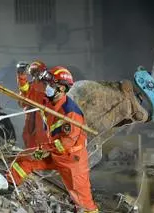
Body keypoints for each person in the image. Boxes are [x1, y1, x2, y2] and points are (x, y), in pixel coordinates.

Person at [8, 66, 98, 212]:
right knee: (25, 159)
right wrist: (21, 76)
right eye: (47, 84)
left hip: (71, 160)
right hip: (52, 151)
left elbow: (66, 143)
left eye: (50, 85)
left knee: (83, 202)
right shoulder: (46, 100)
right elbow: (27, 94)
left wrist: (45, 149)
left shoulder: (71, 113)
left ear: (62, 88)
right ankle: (8, 187)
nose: (47, 87)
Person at [16, 60, 49, 149]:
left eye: (37, 72)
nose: (35, 75)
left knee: (43, 145)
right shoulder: (30, 86)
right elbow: (22, 101)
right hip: (30, 122)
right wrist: (21, 74)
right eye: (33, 73)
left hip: (43, 122)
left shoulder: (49, 88)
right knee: (30, 145)